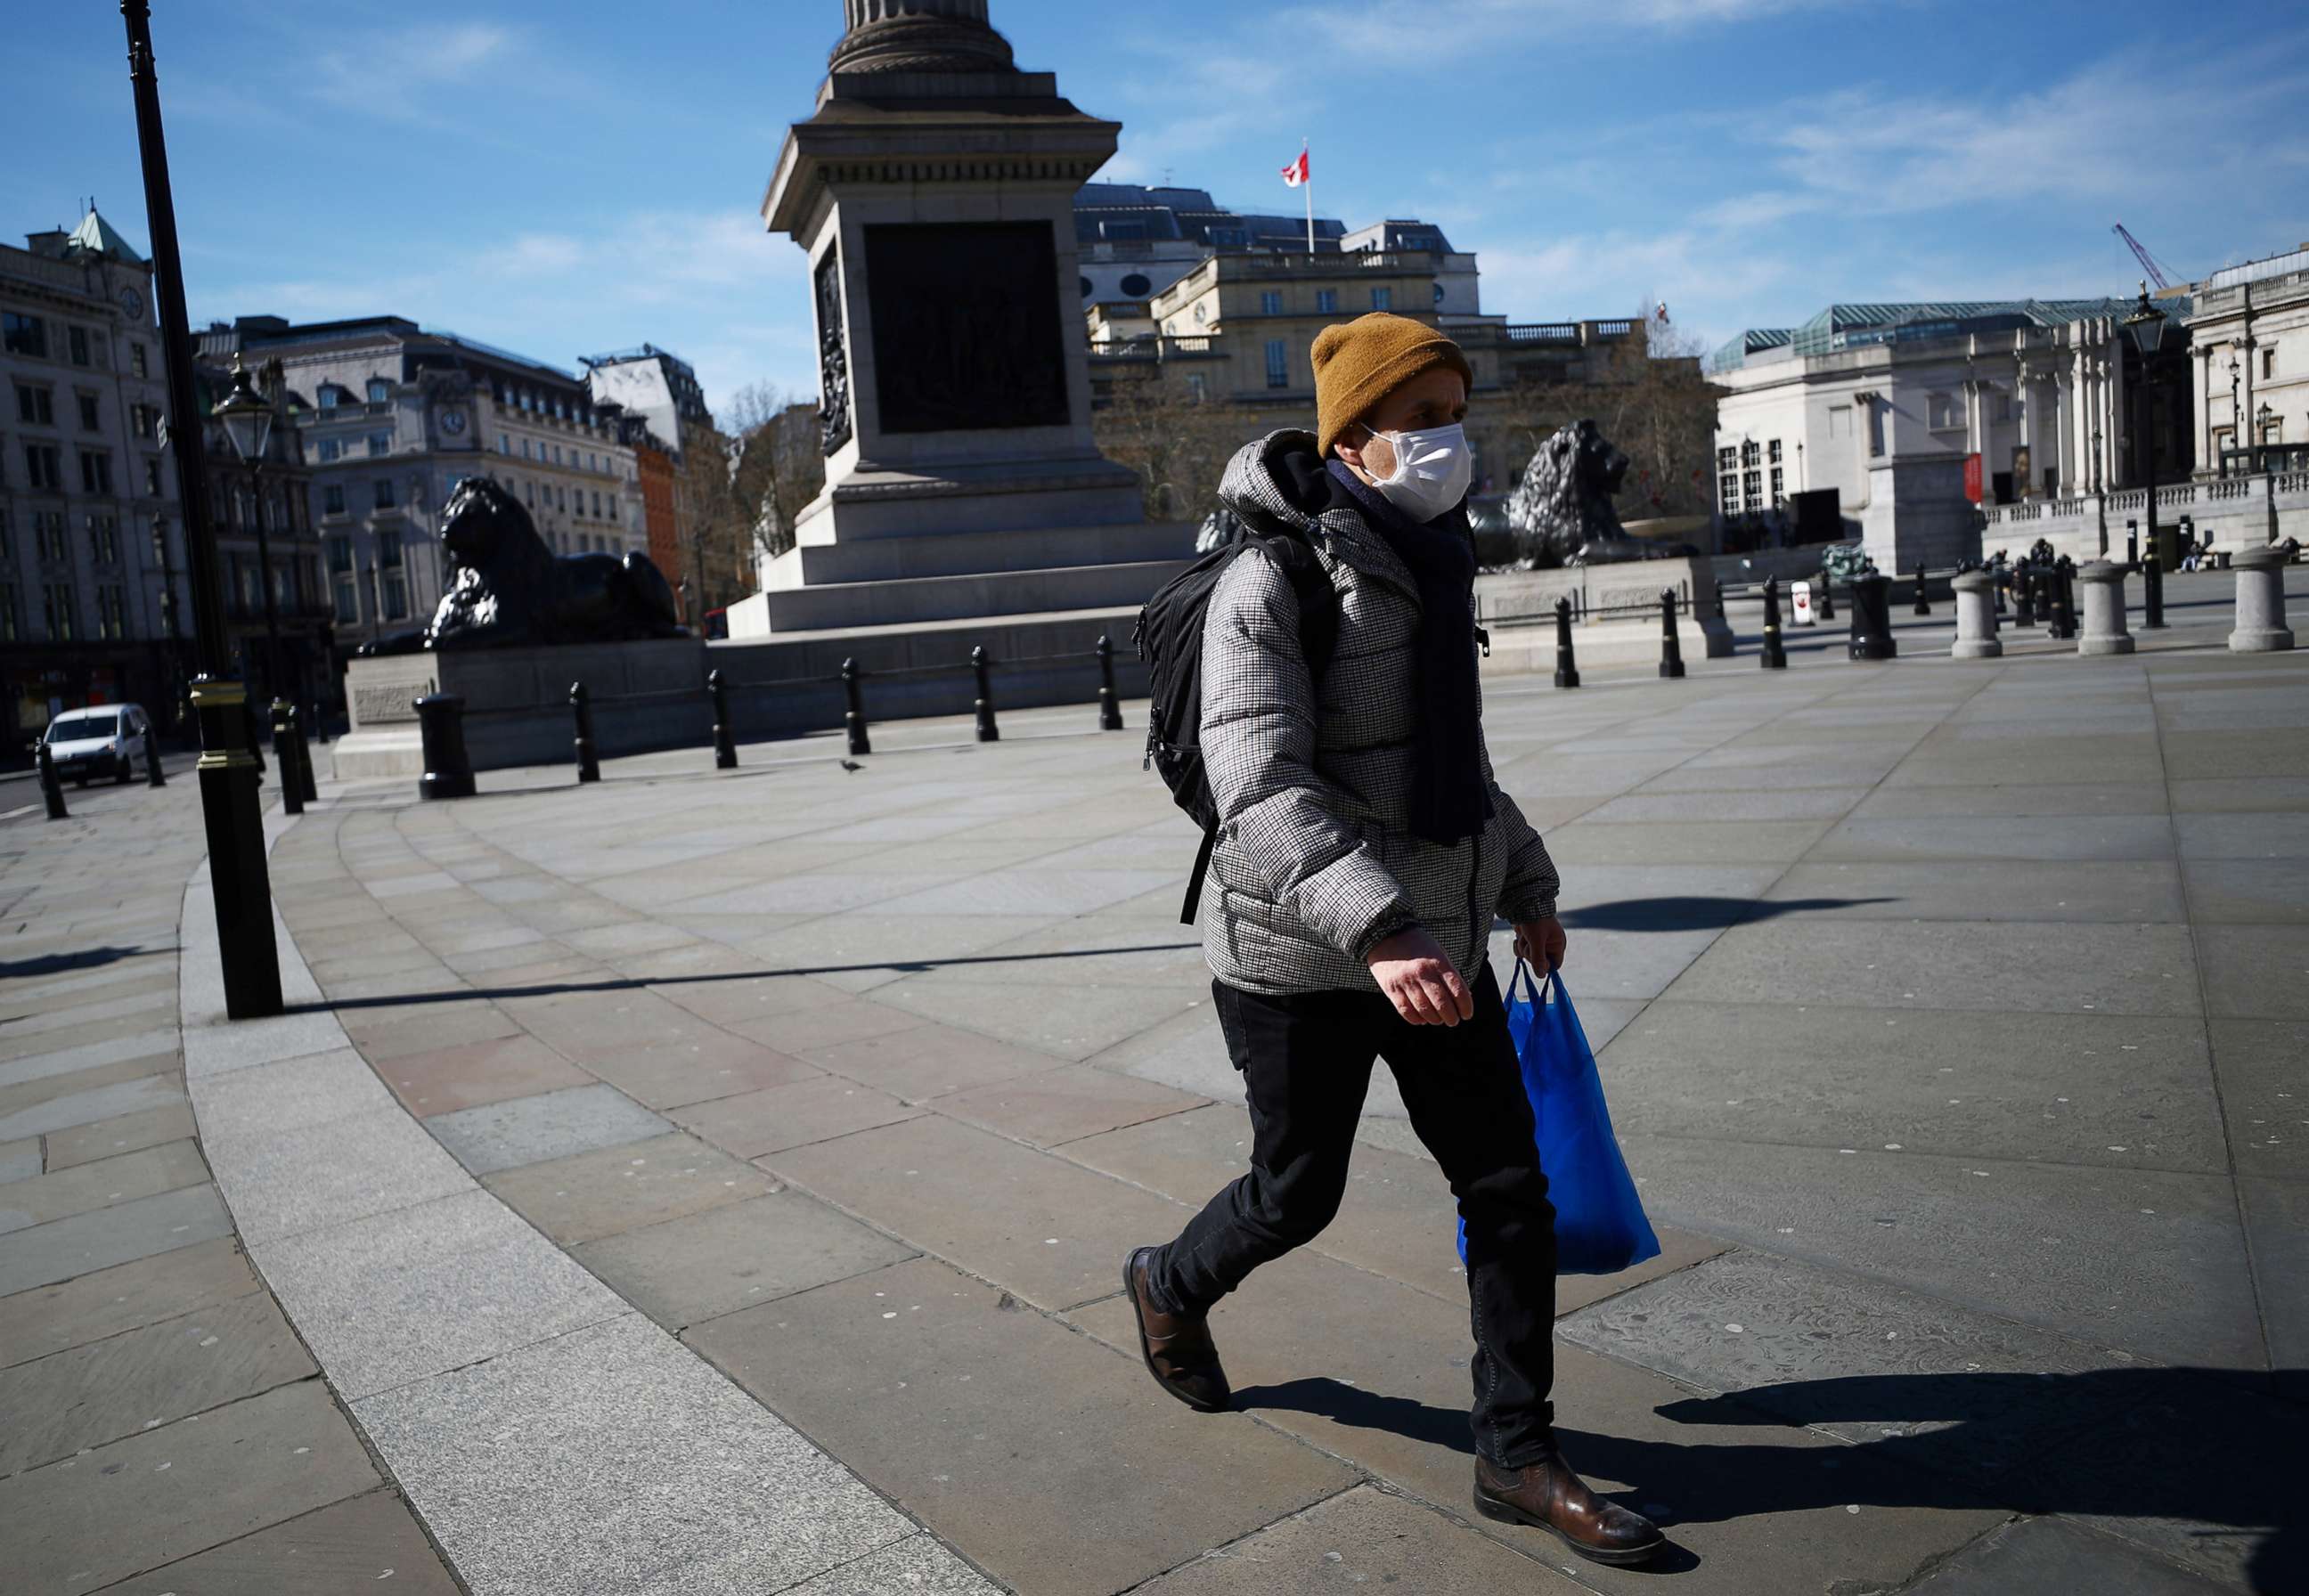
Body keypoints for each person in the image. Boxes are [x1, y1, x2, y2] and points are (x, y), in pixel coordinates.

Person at [1122, 313, 1663, 1568]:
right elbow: (1256, 786)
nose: (1448, 441)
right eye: (1421, 420)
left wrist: (1523, 879)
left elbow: (1451, 758)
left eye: (1455, 413)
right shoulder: (1278, 581)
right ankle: (1169, 1283)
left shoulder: (1435, 557)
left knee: (1508, 1190)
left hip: (1441, 943)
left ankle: (1515, 1452)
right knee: (1296, 1194)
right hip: (1300, 958)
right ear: (1354, 440)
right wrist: (1374, 929)